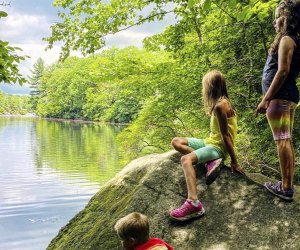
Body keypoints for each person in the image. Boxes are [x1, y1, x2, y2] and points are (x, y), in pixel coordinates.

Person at [170, 70, 244, 221]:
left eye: (205, 86)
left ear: (211, 86)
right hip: (208, 142)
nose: (204, 90)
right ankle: (208, 162)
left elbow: (225, 136)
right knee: (176, 142)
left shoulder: (221, 106)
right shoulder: (220, 102)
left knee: (186, 160)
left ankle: (193, 203)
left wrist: (234, 161)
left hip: (217, 148)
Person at [256, 0, 300, 201]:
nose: (274, 22)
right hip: (288, 96)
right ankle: (287, 185)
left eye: (277, 17)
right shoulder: (295, 39)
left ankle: (285, 187)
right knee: (286, 139)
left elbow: (283, 70)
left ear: (288, 18)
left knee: (282, 141)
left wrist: (266, 98)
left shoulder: (287, 40)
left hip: (279, 97)